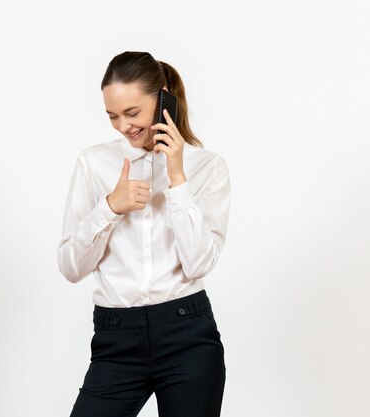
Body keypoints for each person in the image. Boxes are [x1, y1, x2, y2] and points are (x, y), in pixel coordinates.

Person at [56, 51, 231, 417]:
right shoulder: (94, 163)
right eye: (113, 116)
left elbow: (198, 263)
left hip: (188, 335)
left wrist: (177, 179)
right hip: (116, 338)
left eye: (132, 113)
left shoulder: (207, 168)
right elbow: (71, 267)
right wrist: (109, 207)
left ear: (163, 97)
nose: (123, 126)